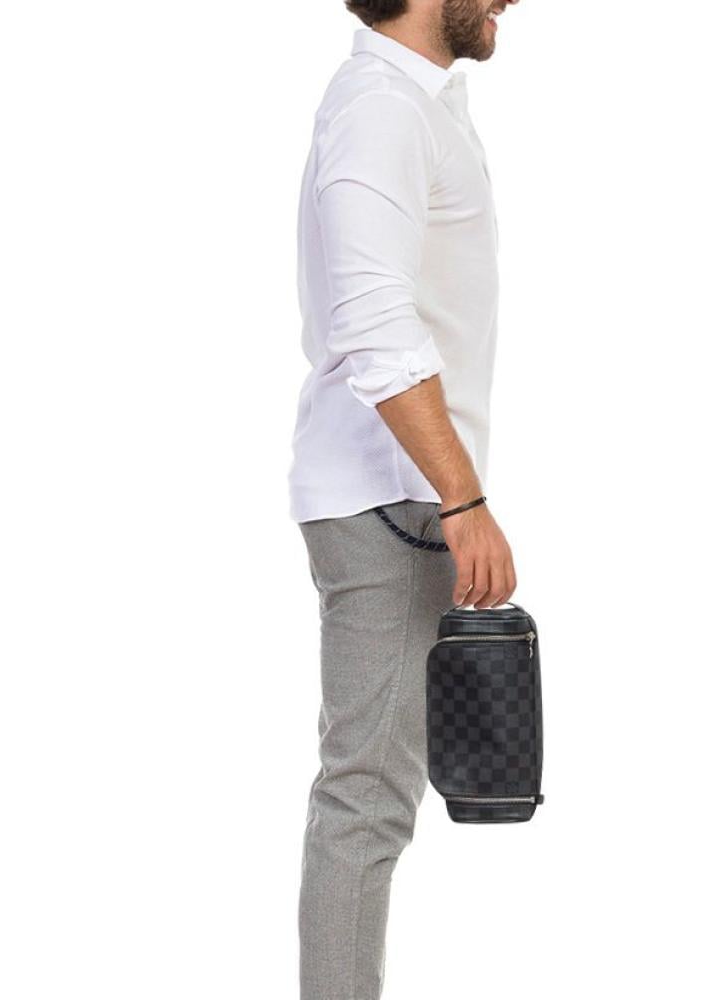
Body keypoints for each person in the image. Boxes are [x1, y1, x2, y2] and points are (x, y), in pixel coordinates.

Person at [287, 1, 521, 996]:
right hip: (392, 501)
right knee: (366, 800)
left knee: (373, 796)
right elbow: (376, 328)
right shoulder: (381, 107)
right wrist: (462, 502)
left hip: (406, 496)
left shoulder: (415, 103)